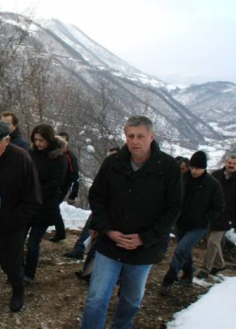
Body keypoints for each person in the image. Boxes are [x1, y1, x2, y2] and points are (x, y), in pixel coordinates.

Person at [81, 115, 182, 329]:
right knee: (96, 298)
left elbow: (173, 208)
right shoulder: (113, 163)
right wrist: (107, 230)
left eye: (140, 136)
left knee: (131, 301)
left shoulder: (168, 167)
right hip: (110, 245)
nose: (135, 141)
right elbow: (97, 197)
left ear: (151, 137)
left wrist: (144, 238)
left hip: (143, 250)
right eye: (130, 136)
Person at [0, 121, 42, 312]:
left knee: (9, 260)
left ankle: (18, 289)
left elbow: (33, 199)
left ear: (7, 140)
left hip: (12, 222)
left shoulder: (22, 159)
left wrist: (14, 221)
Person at [159, 151, 224, 295]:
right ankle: (188, 274)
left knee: (180, 250)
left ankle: (168, 280)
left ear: (204, 168)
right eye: (192, 167)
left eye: (197, 168)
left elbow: (219, 207)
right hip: (181, 222)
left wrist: (205, 219)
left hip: (198, 226)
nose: (194, 171)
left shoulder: (212, 184)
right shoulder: (182, 179)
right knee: (185, 250)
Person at [24, 124, 68, 283]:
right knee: (19, 238)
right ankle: (17, 270)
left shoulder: (59, 158)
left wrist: (34, 191)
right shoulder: (32, 153)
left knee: (33, 241)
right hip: (28, 203)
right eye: (35, 140)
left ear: (49, 140)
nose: (38, 143)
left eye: (41, 140)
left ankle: (29, 274)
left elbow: (55, 183)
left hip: (45, 205)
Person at [196, 153, 236, 279]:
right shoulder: (216, 175)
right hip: (211, 214)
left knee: (213, 242)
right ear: (225, 162)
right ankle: (220, 264)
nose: (231, 165)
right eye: (230, 163)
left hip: (226, 217)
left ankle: (205, 269)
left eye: (234, 164)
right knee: (213, 242)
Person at [50, 131, 80, 242]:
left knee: (53, 207)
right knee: (52, 207)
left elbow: (76, 176)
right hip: (55, 186)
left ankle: (60, 232)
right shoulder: (55, 154)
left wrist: (73, 194)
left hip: (62, 188)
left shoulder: (70, 157)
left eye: (64, 139)